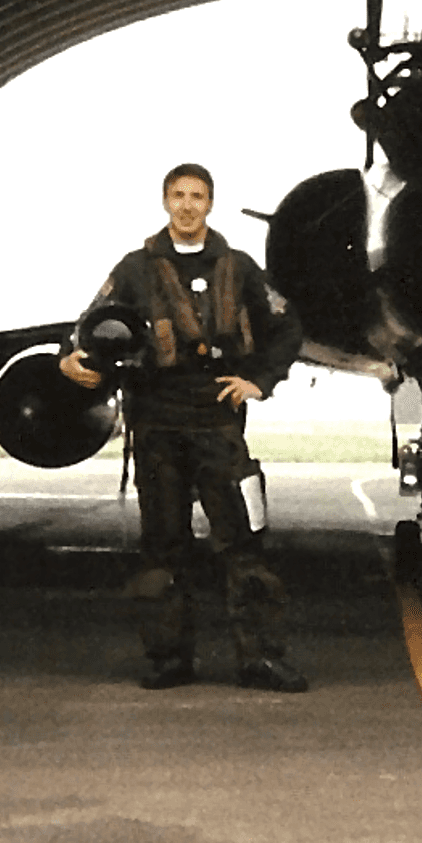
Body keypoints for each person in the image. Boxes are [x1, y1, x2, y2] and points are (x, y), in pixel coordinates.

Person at [59, 163, 306, 692]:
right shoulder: (134, 269)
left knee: (244, 541)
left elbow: (286, 327)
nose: (188, 205)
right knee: (163, 546)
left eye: (198, 196)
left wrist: (258, 381)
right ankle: (169, 658)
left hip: (217, 416)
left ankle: (260, 659)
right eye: (179, 195)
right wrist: (68, 358)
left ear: (210, 204)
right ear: (165, 201)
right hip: (157, 417)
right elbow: (90, 323)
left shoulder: (239, 268)